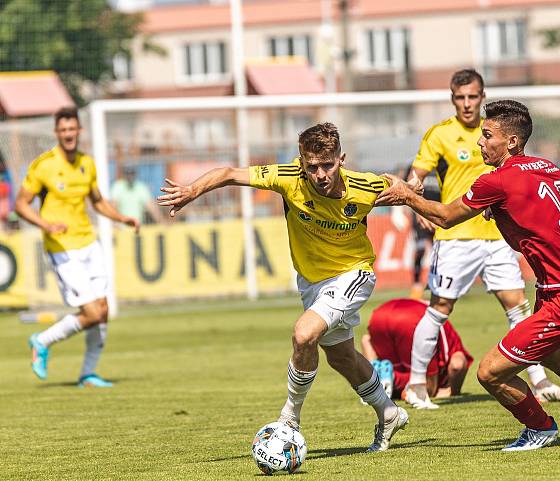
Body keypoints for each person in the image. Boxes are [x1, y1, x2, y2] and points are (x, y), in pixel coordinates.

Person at [376, 100, 560, 451]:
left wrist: (406, 196)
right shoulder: (548, 167)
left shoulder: (497, 180)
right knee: (553, 354)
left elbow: (445, 216)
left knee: (490, 371)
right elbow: (532, 234)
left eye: (487, 135)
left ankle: (540, 427)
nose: (480, 142)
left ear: (511, 142)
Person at [157, 122, 409, 452]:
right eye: (312, 167)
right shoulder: (288, 176)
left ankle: (289, 419)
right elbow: (230, 173)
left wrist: (407, 185)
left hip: (353, 273)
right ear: (301, 163)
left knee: (304, 334)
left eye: (328, 165)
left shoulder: (363, 186)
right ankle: (389, 413)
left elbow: (396, 186)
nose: (320, 174)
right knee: (341, 357)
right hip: (312, 282)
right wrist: (193, 191)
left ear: (341, 159)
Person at [404, 68, 560, 409]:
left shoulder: (497, 132)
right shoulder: (439, 135)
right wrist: (414, 197)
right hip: (456, 236)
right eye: (460, 97)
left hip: (496, 236)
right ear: (453, 99)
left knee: (518, 307)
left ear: (482, 97)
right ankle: (416, 384)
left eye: (473, 96)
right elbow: (415, 175)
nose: (467, 103)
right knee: (440, 308)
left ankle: (539, 381)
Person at [15, 107, 140, 387]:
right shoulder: (43, 165)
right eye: (63, 130)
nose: (68, 134)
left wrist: (121, 218)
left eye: (72, 129)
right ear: (56, 133)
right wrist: (45, 225)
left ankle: (88, 373)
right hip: (62, 247)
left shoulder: (87, 163)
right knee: (92, 313)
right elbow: (21, 204)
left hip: (88, 242)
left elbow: (96, 201)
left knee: (103, 310)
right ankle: (42, 340)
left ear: (79, 131)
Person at [361, 298, 473, 400]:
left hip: (380, 313)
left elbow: (366, 340)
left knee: (396, 367)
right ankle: (392, 377)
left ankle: (374, 375)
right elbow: (457, 365)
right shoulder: (454, 346)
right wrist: (453, 392)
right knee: (427, 388)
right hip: (411, 318)